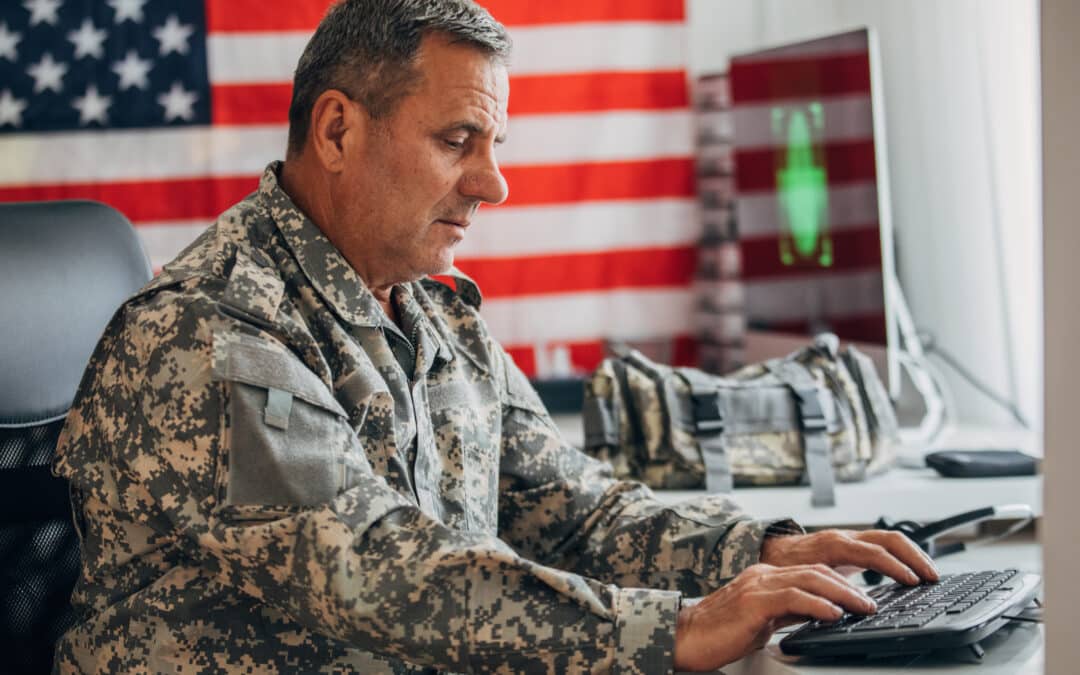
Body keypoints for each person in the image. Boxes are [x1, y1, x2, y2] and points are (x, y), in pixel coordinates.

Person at [51, 1, 938, 672]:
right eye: (457, 139)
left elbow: (578, 510)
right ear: (336, 130)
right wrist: (673, 627)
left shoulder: (433, 314)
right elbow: (380, 571)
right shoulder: (205, 334)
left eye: (494, 141)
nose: (494, 183)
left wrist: (762, 550)